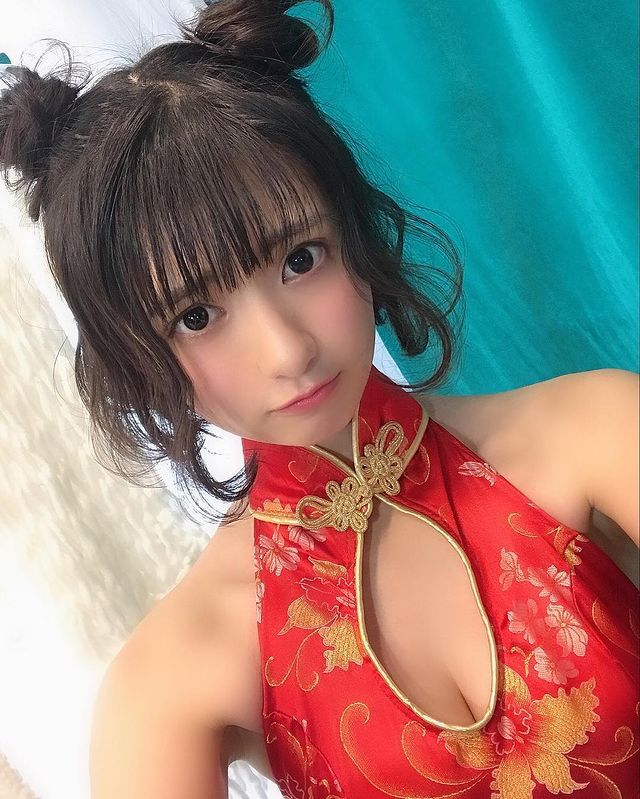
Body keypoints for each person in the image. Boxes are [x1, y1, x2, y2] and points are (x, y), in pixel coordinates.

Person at [1, 1, 638, 796]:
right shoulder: (169, 680)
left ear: (353, 231)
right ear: (138, 356)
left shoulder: (601, 429)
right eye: (196, 316)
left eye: (300, 258)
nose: (287, 349)